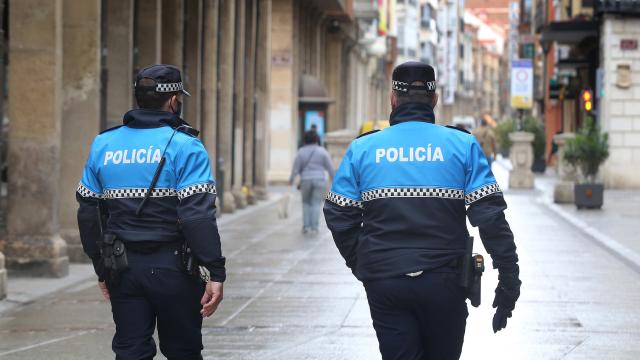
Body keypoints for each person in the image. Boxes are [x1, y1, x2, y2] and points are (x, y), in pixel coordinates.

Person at [323, 61, 521, 360]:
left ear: (392, 99)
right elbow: (491, 217)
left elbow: (339, 214)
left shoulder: (363, 149)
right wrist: (509, 278)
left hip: (385, 281)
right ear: (434, 99)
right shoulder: (462, 144)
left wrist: (365, 263)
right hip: (445, 281)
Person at [76, 64, 226, 359]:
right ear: (173, 101)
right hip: (174, 269)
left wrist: (101, 268)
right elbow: (197, 216)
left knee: (130, 350)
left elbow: (88, 213)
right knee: (183, 351)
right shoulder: (186, 146)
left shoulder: (103, 144)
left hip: (122, 268)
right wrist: (216, 270)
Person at [289, 130, 335, 234]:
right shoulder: (322, 151)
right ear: (316, 139)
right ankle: (315, 227)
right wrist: (334, 178)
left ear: (305, 139)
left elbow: (295, 168)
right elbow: (330, 168)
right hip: (319, 180)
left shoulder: (301, 152)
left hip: (305, 180)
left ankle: (306, 226)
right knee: (316, 203)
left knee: (306, 203)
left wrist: (291, 180)